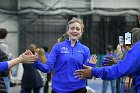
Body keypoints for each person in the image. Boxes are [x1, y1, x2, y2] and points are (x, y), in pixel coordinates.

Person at [33, 17, 97, 93]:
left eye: (77, 29)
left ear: (81, 32)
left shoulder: (85, 49)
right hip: (58, 90)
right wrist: (36, 62)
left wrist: (91, 65)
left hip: (79, 89)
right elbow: (47, 68)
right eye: (72, 28)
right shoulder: (57, 47)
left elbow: (87, 74)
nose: (74, 31)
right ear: (68, 31)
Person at [74, 28, 140, 93]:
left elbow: (120, 68)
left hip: (118, 75)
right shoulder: (127, 52)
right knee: (114, 87)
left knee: (107, 87)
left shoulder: (136, 49)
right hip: (121, 76)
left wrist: (93, 71)